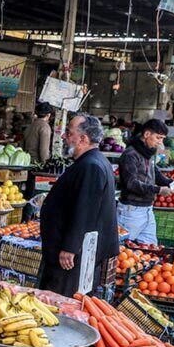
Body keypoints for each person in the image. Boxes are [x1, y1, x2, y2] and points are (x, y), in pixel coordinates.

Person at [38, 114, 119, 297]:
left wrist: (70, 248)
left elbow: (85, 210)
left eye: (69, 132)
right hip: (74, 252)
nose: (64, 136)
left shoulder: (91, 165)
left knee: (61, 300)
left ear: (83, 138)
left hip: (73, 256)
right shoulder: (93, 162)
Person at [117, 118, 174, 245]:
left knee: (150, 249)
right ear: (147, 134)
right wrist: (158, 190)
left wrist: (169, 182)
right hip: (131, 211)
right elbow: (131, 183)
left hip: (147, 209)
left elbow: (155, 172)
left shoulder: (148, 153)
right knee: (123, 250)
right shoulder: (130, 155)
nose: (160, 142)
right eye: (158, 138)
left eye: (162, 139)